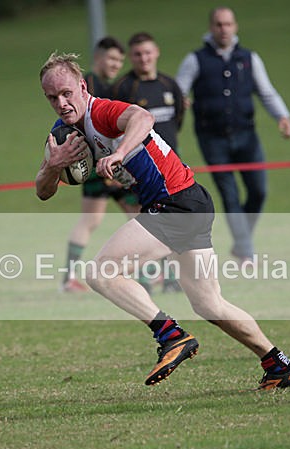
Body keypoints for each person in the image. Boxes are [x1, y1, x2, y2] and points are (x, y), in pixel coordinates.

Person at [36, 52, 290, 390]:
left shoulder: (100, 111)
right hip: (188, 203)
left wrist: (118, 153)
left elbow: (143, 117)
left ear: (83, 87)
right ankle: (279, 366)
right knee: (210, 304)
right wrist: (52, 166)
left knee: (101, 272)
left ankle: (171, 336)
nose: (61, 102)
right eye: (52, 97)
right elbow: (43, 192)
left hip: (175, 202)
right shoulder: (62, 134)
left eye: (66, 93)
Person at [176, 7, 290, 264]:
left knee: (259, 190)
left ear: (235, 26)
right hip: (212, 138)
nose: (223, 29)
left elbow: (266, 92)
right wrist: (180, 103)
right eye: (218, 24)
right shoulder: (195, 60)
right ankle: (246, 252)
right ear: (211, 27)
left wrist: (282, 117)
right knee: (229, 194)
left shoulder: (249, 58)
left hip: (247, 136)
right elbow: (177, 92)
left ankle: (243, 242)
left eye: (228, 24)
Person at [60, 36, 139, 293]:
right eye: (112, 59)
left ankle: (149, 278)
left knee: (136, 218)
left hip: (114, 163)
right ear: (98, 57)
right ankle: (69, 277)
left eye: (120, 60)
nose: (116, 64)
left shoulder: (116, 86)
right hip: (98, 165)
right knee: (94, 219)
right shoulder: (87, 87)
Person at [112, 31, 185, 292]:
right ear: (131, 57)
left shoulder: (169, 85)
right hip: (137, 171)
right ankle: (144, 278)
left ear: (156, 53)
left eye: (148, 52)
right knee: (141, 223)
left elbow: (178, 119)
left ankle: (170, 278)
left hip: (170, 171)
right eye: (138, 54)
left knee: (170, 223)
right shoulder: (123, 88)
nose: (144, 58)